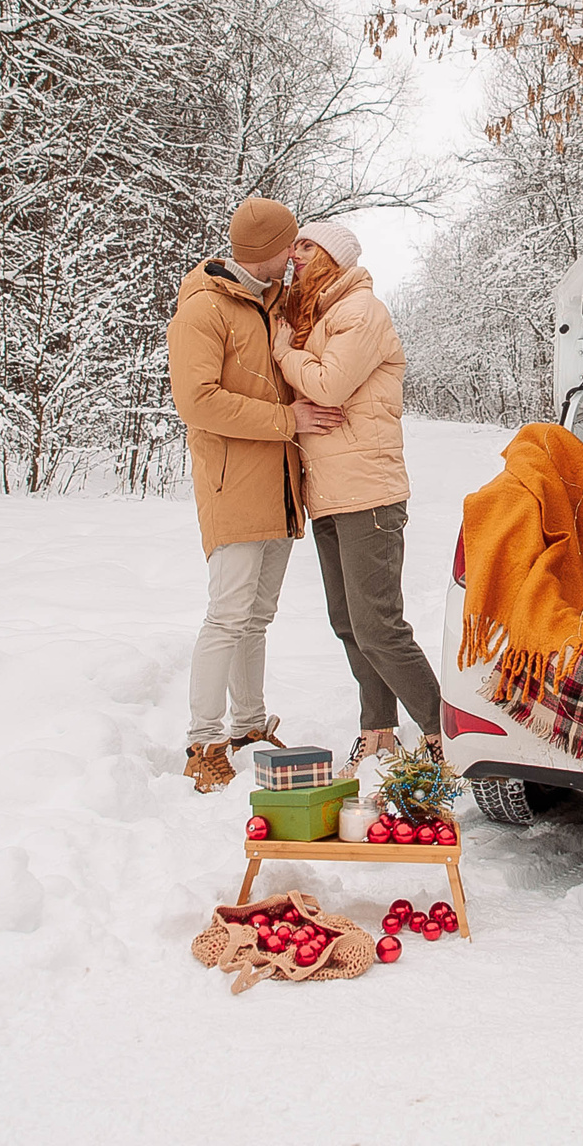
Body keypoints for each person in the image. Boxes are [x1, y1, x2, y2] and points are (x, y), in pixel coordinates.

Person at [167, 197, 344, 792]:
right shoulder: (204, 309)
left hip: (280, 486)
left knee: (256, 618)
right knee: (227, 616)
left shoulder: (272, 302)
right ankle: (202, 742)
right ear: (266, 251)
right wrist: (287, 420)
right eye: (288, 245)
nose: (295, 254)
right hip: (233, 486)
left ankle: (248, 725)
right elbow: (197, 402)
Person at [272, 220, 442, 772]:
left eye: (306, 245)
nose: (294, 254)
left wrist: (283, 351)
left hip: (368, 493)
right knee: (348, 622)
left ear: (332, 257)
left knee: (379, 627)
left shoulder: (361, 311)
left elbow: (328, 385)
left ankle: (443, 733)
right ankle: (377, 732)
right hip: (328, 493)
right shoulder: (317, 314)